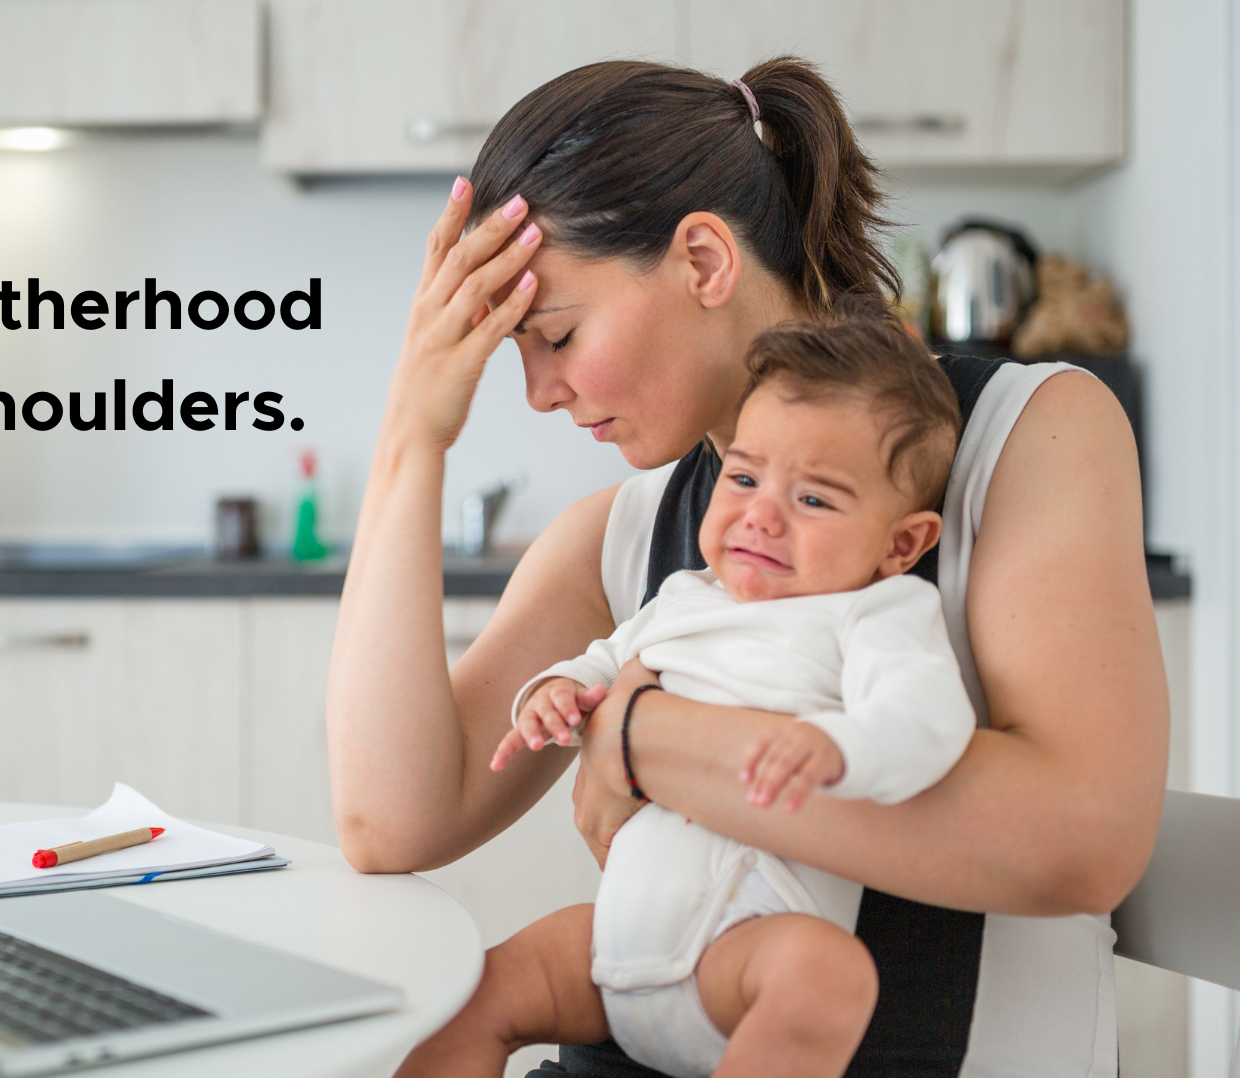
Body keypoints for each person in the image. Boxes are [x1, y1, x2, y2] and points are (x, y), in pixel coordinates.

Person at [326, 57, 1167, 1076]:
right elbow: (389, 818)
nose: (540, 392)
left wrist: (637, 736)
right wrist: (411, 437)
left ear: (704, 262)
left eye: (554, 334)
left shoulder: (1025, 435)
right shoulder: (618, 535)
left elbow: (1082, 838)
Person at [402, 308, 976, 1078]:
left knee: (829, 980)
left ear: (900, 545)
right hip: (618, 938)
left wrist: (838, 747)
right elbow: (608, 659)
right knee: (472, 992)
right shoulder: (685, 594)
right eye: (743, 477)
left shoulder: (876, 611)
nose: (759, 515)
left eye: (813, 500)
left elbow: (926, 718)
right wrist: (560, 690)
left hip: (743, 951)